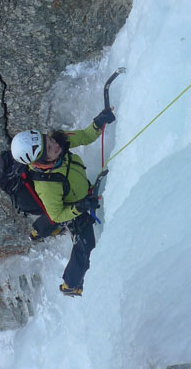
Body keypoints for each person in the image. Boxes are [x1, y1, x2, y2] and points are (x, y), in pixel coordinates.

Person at [10, 106, 115, 297]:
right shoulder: (46, 184)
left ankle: (38, 232)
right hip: (72, 208)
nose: (55, 146)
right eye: (49, 149)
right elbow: (57, 214)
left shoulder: (58, 141)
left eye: (49, 141)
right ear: (40, 162)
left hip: (73, 197)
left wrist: (98, 123)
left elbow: (84, 136)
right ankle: (71, 284)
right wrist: (80, 207)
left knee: (52, 217)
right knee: (85, 245)